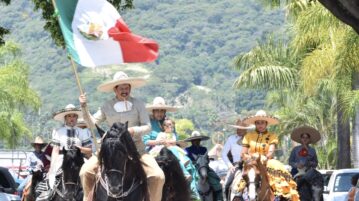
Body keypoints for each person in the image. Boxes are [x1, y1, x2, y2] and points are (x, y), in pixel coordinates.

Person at [79, 71, 165, 201]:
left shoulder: (139, 104)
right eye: (121, 88)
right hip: (110, 150)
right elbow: (91, 124)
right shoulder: (106, 106)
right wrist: (84, 107)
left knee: (158, 176)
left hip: (137, 149)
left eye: (127, 88)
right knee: (85, 171)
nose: (125, 90)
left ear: (130, 88)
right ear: (115, 89)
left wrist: (132, 131)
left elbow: (147, 126)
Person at [241, 110, 299, 201]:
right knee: (238, 179)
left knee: (281, 172)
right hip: (251, 162)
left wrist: (265, 157)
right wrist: (250, 158)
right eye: (258, 123)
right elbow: (243, 153)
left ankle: (284, 195)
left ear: (266, 124)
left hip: (267, 161)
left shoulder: (272, 136)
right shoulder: (248, 136)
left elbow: (271, 152)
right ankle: (236, 193)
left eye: (262, 123)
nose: (260, 125)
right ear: (255, 124)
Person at [48, 104, 92, 187]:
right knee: (53, 176)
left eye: (74, 116)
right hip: (62, 158)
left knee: (90, 174)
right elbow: (55, 151)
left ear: (77, 118)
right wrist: (52, 166)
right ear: (65, 118)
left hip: (79, 158)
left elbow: (89, 151)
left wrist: (80, 148)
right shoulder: (58, 132)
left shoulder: (84, 132)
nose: (72, 118)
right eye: (69, 116)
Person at [185, 131, 223, 201]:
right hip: (192, 168)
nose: (196, 141)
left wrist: (206, 160)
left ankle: (219, 198)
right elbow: (186, 159)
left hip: (205, 168)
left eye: (198, 140)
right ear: (192, 141)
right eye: (194, 140)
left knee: (216, 180)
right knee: (187, 182)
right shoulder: (187, 150)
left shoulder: (204, 149)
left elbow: (207, 159)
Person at [221, 118, 253, 200]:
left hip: (250, 165)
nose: (238, 130)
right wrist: (230, 166)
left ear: (245, 129)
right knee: (226, 185)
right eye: (237, 128)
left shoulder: (251, 138)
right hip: (236, 165)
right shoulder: (231, 138)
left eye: (240, 128)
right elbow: (223, 153)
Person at [288, 126, 322, 201]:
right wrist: (297, 165)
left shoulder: (312, 150)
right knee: (289, 185)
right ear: (300, 139)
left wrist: (310, 163)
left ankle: (319, 198)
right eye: (303, 137)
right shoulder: (295, 149)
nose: (305, 139)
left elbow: (315, 163)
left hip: (309, 171)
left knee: (319, 177)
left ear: (309, 139)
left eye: (307, 137)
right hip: (296, 171)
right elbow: (290, 161)